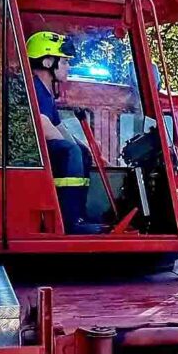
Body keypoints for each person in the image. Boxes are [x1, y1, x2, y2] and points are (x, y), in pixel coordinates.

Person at [27, 31, 104, 234]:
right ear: (47, 62)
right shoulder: (34, 88)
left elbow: (58, 126)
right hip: (32, 157)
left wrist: (85, 150)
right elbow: (42, 124)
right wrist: (73, 150)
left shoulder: (44, 91)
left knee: (79, 151)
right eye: (64, 62)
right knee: (70, 152)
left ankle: (78, 214)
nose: (68, 67)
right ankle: (69, 222)